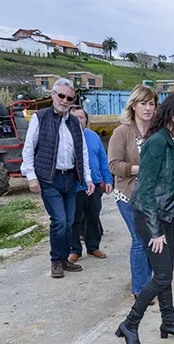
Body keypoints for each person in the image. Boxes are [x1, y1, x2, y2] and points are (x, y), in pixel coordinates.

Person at [115, 94, 174, 344]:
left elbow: (170, 181)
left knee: (166, 274)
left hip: (163, 215)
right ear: (169, 113)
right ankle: (131, 323)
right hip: (148, 216)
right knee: (161, 275)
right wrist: (155, 231)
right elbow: (148, 188)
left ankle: (169, 323)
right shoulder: (157, 142)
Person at [21, 78, 94, 279]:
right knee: (59, 221)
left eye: (69, 98)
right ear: (53, 95)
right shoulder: (40, 117)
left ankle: (63, 259)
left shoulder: (74, 123)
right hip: (49, 179)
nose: (64, 100)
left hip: (70, 178)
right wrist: (31, 176)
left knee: (69, 221)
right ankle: (56, 261)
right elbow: (28, 147)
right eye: (61, 95)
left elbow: (83, 152)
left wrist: (87, 178)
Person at [108, 85, 158, 304]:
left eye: (151, 104)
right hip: (128, 195)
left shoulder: (158, 131)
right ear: (134, 105)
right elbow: (114, 165)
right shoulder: (122, 132)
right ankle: (140, 288)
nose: (148, 108)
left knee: (150, 239)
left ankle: (148, 280)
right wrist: (141, 168)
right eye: (143, 103)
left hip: (152, 196)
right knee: (139, 240)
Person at [68, 106, 113, 262]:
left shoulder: (93, 136)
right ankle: (75, 250)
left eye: (81, 117)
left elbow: (102, 160)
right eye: (75, 117)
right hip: (74, 187)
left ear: (86, 119)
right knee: (75, 219)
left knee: (93, 217)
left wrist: (108, 180)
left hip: (93, 185)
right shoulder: (65, 137)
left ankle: (93, 247)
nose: (79, 120)